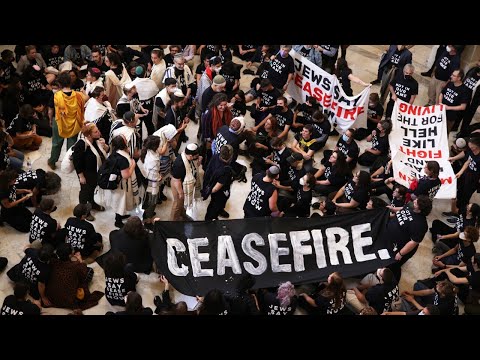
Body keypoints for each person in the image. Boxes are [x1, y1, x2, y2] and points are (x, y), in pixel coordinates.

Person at [46, 243, 104, 310]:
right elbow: (84, 272)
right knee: (89, 272)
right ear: (70, 255)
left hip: (52, 297)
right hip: (68, 300)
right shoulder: (76, 266)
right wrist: (80, 260)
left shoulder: (53, 261)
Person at [387, 195, 432, 281]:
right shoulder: (411, 205)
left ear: (420, 209)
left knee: (393, 266)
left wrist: (400, 253)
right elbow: (403, 209)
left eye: (416, 202)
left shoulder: (421, 225)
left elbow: (413, 242)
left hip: (400, 247)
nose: (414, 201)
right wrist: (392, 209)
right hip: (390, 238)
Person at [47, 72, 84, 170]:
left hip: (59, 122)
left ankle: (52, 161)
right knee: (72, 144)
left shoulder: (56, 96)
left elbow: (51, 110)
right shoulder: (78, 95)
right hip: (74, 122)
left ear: (59, 83)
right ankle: (68, 163)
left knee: (56, 143)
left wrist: (50, 119)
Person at [72, 122, 109, 221]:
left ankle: (92, 204)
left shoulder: (96, 140)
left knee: (92, 189)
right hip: (86, 174)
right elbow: (77, 161)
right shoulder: (81, 144)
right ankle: (84, 211)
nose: (99, 133)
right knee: (85, 193)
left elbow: (104, 152)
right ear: (89, 135)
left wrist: (105, 146)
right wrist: (81, 176)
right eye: (96, 132)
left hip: (95, 172)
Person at [103, 134, 139, 228]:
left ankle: (121, 214)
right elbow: (126, 175)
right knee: (120, 202)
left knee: (119, 201)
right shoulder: (122, 159)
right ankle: (118, 221)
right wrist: (133, 165)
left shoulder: (115, 152)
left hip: (117, 183)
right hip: (121, 186)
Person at [202, 144, 234, 220]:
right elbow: (216, 188)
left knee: (217, 203)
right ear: (230, 156)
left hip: (209, 182)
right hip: (219, 191)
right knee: (215, 205)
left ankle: (220, 210)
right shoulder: (225, 170)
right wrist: (211, 191)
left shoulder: (216, 156)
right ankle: (209, 220)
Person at [170, 143, 201, 221]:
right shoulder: (179, 164)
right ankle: (173, 221)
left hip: (183, 183)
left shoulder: (187, 156)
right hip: (178, 185)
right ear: (190, 156)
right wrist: (180, 193)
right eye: (195, 157)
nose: (196, 158)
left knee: (182, 203)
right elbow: (176, 180)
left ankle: (183, 215)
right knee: (177, 204)